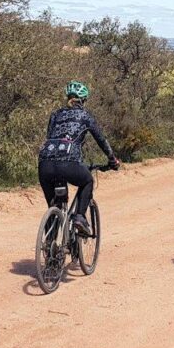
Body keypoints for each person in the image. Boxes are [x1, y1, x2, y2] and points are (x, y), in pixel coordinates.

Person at [38, 81, 119, 235]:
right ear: (83, 100)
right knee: (87, 180)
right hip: (69, 163)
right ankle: (80, 218)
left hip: (45, 165)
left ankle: (50, 248)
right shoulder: (85, 116)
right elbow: (101, 140)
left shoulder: (55, 115)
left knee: (54, 204)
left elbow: (51, 137)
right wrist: (112, 159)